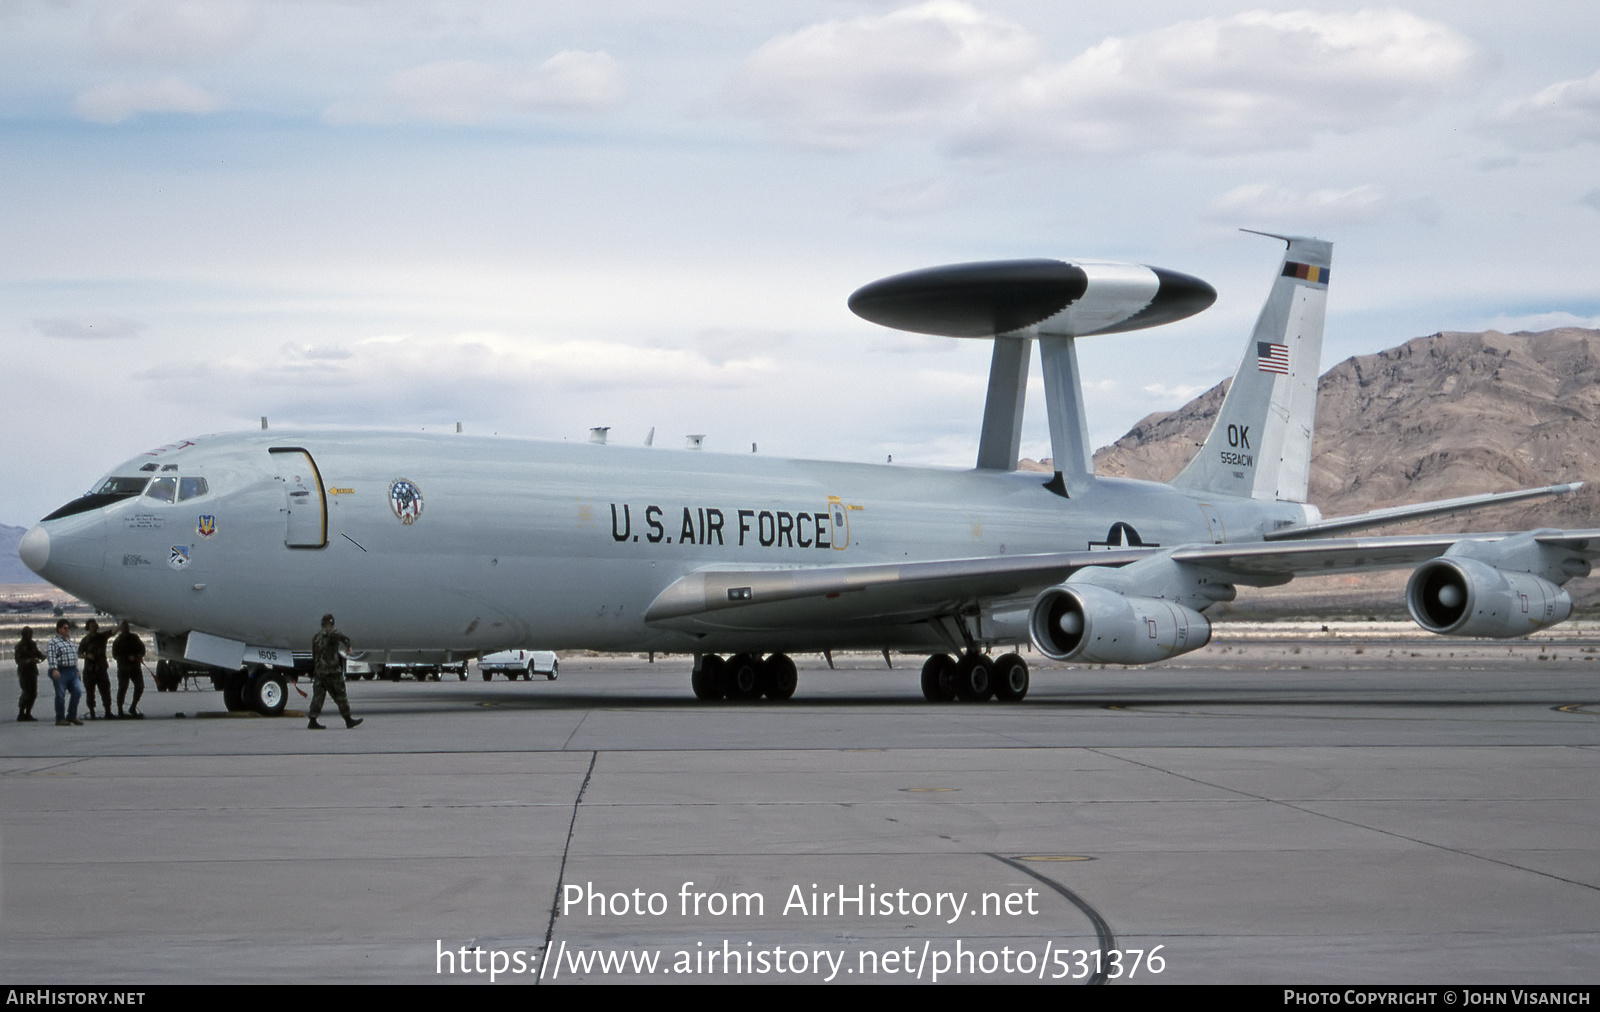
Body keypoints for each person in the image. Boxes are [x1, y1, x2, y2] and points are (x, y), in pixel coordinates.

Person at [308, 613, 362, 730]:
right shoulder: (332, 633)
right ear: (332, 624)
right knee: (340, 695)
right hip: (332, 672)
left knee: (318, 696)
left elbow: (314, 654)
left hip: (319, 672)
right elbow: (344, 638)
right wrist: (348, 646)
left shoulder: (316, 637)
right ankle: (348, 720)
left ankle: (312, 720)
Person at [46, 619, 83, 726]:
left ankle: (72, 715)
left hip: (72, 671)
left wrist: (77, 670)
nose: (67, 630)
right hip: (61, 671)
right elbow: (52, 657)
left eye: (68, 628)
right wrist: (54, 669)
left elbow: (73, 657)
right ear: (59, 629)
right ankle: (60, 718)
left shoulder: (70, 642)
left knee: (77, 691)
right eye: (65, 628)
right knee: (60, 695)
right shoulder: (54, 642)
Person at [78, 619, 113, 720]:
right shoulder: (85, 640)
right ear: (88, 627)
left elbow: (112, 632)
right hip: (90, 671)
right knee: (90, 692)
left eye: (95, 626)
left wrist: (121, 623)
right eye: (92, 626)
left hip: (101, 669)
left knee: (105, 691)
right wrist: (87, 656)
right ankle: (92, 712)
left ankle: (108, 711)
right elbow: (79, 654)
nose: (94, 627)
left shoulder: (102, 637)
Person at [113, 621, 146, 718]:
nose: (126, 629)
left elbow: (142, 649)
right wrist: (127, 658)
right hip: (124, 668)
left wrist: (139, 655)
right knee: (123, 688)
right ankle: (120, 710)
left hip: (135, 667)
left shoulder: (134, 638)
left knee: (140, 686)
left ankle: (133, 707)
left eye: (127, 627)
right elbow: (115, 655)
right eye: (124, 628)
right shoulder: (118, 641)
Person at [14, 627, 44, 722]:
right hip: (24, 672)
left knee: (33, 693)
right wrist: (30, 661)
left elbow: (37, 653)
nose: (30, 636)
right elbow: (18, 660)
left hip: (32, 672)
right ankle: (21, 713)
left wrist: (43, 656)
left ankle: (28, 713)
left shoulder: (32, 644)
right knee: (26, 692)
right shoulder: (19, 646)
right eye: (28, 634)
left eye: (31, 634)